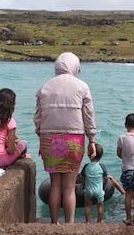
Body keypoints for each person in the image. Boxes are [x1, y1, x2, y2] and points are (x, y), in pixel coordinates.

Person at [34, 52, 97, 224]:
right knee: (69, 188)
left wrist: (41, 137)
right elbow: (88, 116)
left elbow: (38, 117)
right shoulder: (82, 86)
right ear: (74, 66)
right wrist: (91, 139)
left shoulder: (44, 87)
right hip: (74, 138)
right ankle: (69, 225)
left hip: (49, 138)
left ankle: (54, 223)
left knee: (55, 184)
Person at [81, 143, 124, 223]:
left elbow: (82, 178)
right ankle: (99, 221)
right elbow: (105, 179)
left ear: (89, 154)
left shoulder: (86, 166)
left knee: (87, 206)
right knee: (100, 206)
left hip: (88, 190)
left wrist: (83, 186)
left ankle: (87, 222)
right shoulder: (102, 166)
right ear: (101, 155)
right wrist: (103, 187)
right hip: (99, 190)